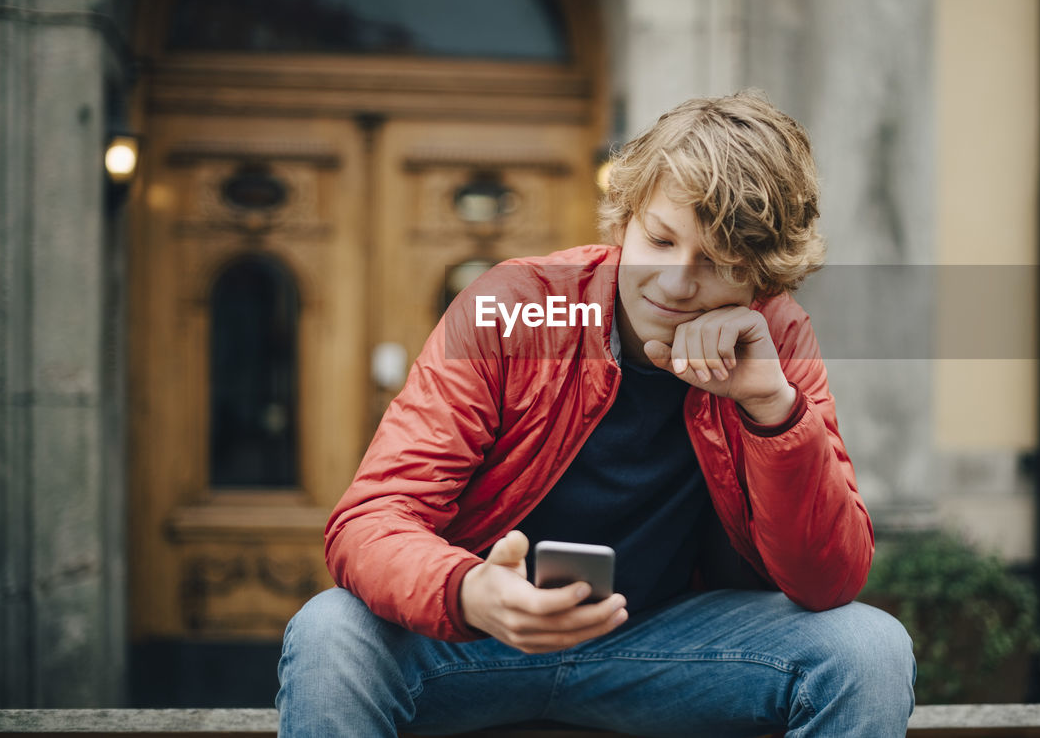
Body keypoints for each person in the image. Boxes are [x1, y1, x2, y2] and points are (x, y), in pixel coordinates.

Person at [276, 91, 916, 737]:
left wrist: (773, 410)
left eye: (720, 262)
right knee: (331, 628)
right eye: (660, 239)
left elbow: (828, 579)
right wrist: (470, 592)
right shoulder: (515, 308)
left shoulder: (775, 336)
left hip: (664, 651)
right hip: (476, 638)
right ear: (625, 220)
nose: (674, 283)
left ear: (763, 278)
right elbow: (371, 519)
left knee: (868, 649)